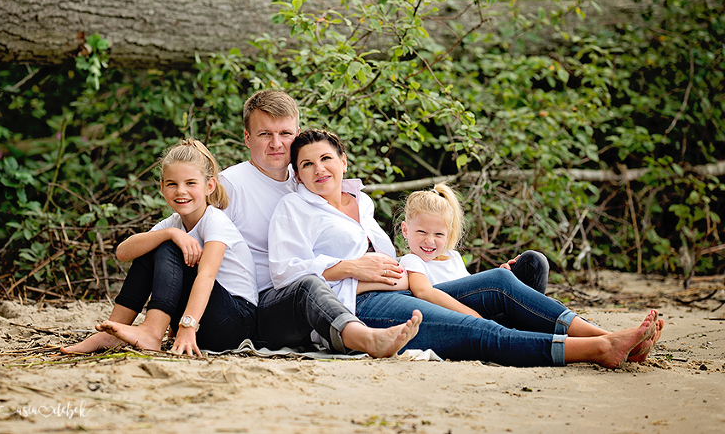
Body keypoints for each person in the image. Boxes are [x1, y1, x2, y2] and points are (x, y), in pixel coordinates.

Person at [268, 128, 663, 367]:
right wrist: (350, 267)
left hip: (407, 286)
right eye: (306, 165)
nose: (319, 169)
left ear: (343, 162)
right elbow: (285, 273)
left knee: (499, 283)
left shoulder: (364, 204)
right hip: (363, 305)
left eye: (326, 159)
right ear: (298, 175)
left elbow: (418, 263)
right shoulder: (294, 207)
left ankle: (606, 334)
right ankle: (598, 349)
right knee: (477, 330)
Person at [219, 90, 421, 357]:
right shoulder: (231, 184)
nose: (276, 144)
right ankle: (363, 339)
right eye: (265, 134)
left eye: (285, 134)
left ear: (297, 133)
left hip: (325, 302)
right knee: (308, 285)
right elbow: (188, 230)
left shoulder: (306, 177)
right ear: (247, 137)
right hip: (260, 305)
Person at [399, 183, 664, 361]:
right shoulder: (411, 260)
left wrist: (495, 279)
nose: (429, 241)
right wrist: (474, 313)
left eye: (438, 234)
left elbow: (469, 286)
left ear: (449, 234)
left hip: (482, 313)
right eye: (421, 232)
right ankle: (605, 337)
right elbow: (423, 292)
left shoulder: (454, 257)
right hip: (460, 319)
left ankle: (618, 342)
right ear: (405, 231)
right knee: (501, 281)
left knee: (533, 263)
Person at [63, 139, 258, 356]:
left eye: (191, 183)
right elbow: (123, 253)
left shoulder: (215, 221)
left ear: (209, 186)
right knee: (153, 244)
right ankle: (111, 333)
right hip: (204, 319)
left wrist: (187, 325)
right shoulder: (173, 224)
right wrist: (170, 233)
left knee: (167, 247)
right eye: (172, 184)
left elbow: (206, 276)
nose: (180, 191)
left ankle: (152, 332)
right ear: (162, 187)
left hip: (234, 322)